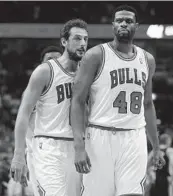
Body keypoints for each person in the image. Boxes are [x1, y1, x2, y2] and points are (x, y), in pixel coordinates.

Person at [71, 5, 165, 196]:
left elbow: (147, 104)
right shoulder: (95, 55)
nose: (124, 23)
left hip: (134, 137)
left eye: (129, 21)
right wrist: (79, 146)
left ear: (136, 26)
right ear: (113, 25)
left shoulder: (147, 60)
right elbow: (78, 101)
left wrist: (156, 147)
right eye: (119, 20)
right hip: (100, 136)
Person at [10, 18, 88, 196]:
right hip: (49, 147)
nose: (82, 43)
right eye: (77, 38)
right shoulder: (45, 72)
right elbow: (23, 114)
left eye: (85, 39)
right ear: (64, 42)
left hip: (79, 148)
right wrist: (19, 154)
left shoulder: (88, 73)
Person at [25, 47, 62, 195]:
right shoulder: (34, 90)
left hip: (67, 150)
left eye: (57, 59)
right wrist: (18, 156)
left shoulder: (75, 88)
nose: (54, 63)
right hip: (39, 153)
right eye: (49, 59)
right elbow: (22, 122)